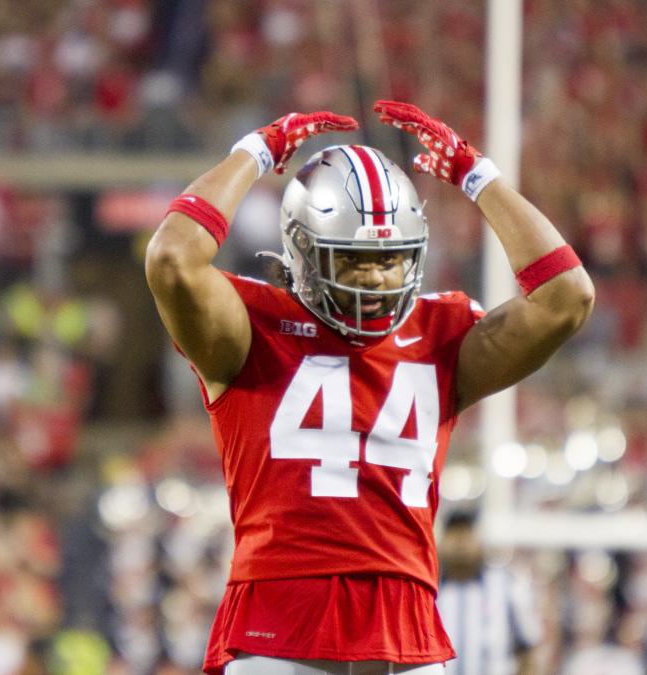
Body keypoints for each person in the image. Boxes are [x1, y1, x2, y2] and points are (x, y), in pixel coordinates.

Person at [144, 101, 595, 675]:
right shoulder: (251, 327)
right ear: (303, 250)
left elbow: (568, 296)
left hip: (405, 627)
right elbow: (172, 257)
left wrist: (476, 175)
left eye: (392, 259)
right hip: (281, 619)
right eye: (354, 260)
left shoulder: (439, 334)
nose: (378, 279)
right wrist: (253, 153)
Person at [437, 511, 541, 675]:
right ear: (442, 540)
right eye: (454, 534)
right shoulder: (428, 590)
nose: (460, 542)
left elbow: (528, 650)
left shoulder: (505, 585)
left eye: (466, 533)